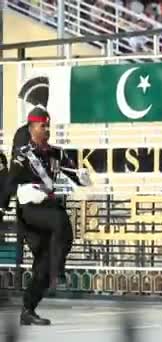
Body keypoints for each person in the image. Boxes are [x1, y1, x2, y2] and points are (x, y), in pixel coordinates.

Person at [0, 106, 92, 326]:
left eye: (49, 125)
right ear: (32, 128)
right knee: (61, 221)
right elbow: (10, 182)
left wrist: (83, 177)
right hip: (30, 211)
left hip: (47, 207)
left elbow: (75, 176)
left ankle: (28, 309)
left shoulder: (56, 153)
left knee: (42, 265)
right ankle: (58, 271)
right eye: (43, 126)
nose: (47, 130)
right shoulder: (23, 156)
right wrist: (1, 209)